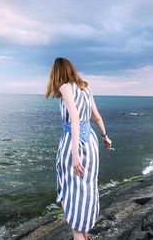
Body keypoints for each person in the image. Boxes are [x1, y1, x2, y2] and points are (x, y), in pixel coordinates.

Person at [45, 57, 112, 240]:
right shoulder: (85, 87)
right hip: (90, 141)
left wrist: (75, 153)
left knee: (68, 185)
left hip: (72, 141)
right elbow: (96, 117)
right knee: (87, 186)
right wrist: (105, 136)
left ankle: (78, 233)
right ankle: (84, 230)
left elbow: (74, 119)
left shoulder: (65, 87)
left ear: (57, 73)